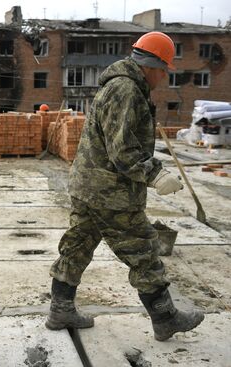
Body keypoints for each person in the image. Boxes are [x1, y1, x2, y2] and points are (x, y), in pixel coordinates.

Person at [46, 31, 204, 341]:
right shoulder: (126, 90)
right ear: (153, 66)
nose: (163, 78)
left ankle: (60, 309)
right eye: (164, 71)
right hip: (111, 193)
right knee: (143, 249)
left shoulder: (122, 86)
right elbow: (124, 150)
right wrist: (155, 174)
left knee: (77, 245)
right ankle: (165, 317)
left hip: (90, 186)